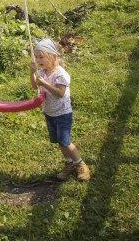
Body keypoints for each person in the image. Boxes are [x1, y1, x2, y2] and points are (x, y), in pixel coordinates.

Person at [30, 38, 90, 182]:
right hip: (49, 113)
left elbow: (60, 93)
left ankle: (81, 165)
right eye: (37, 57)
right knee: (59, 141)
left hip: (63, 113)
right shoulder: (43, 72)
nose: (38, 60)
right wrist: (32, 73)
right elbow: (34, 86)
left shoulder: (60, 74)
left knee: (65, 142)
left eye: (41, 57)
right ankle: (69, 164)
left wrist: (44, 83)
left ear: (53, 56)